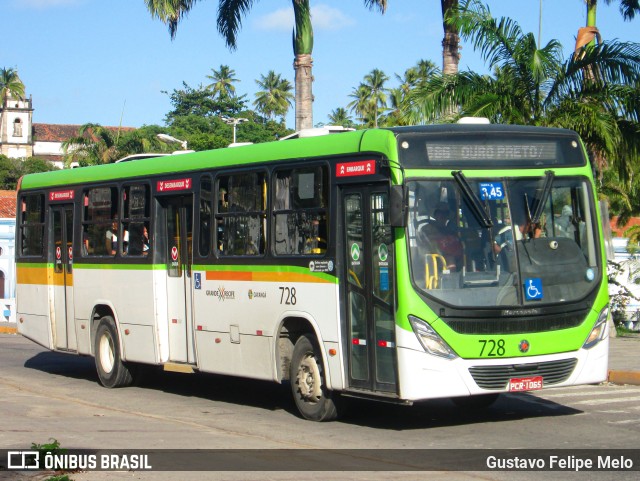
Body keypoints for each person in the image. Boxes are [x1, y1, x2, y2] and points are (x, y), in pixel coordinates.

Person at [418, 205, 463, 270]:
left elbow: (458, 245)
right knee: (450, 259)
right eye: (440, 213)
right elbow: (424, 241)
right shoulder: (426, 228)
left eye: (445, 213)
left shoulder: (450, 231)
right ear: (435, 215)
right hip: (431, 259)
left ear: (448, 216)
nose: (442, 216)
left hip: (455, 258)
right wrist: (439, 237)